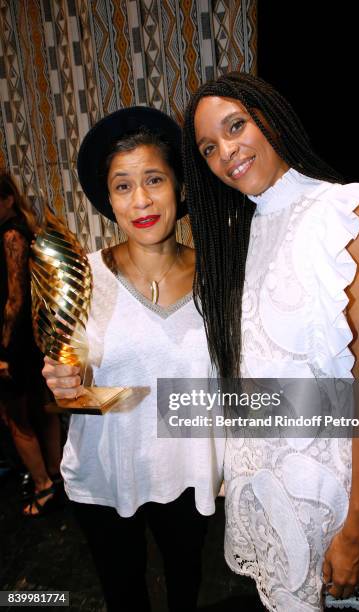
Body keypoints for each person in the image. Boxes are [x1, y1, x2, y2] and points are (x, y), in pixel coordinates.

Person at [181, 72, 359, 611]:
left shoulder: (349, 216)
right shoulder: (240, 235)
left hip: (332, 503)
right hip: (263, 495)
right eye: (209, 147)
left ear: (272, 118)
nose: (226, 152)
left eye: (236, 126)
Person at [42, 106, 224, 612]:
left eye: (153, 180)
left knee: (186, 585)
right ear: (109, 200)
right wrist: (67, 381)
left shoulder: (219, 278)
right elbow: (74, 381)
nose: (140, 199)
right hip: (105, 472)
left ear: (180, 188)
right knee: (124, 595)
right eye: (122, 186)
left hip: (187, 470)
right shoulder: (84, 278)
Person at [0, 171, 62, 516]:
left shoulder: (11, 235)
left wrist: (5, 353)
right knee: (42, 408)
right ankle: (54, 474)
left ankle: (43, 485)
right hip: (31, 338)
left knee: (15, 417)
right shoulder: (21, 231)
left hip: (16, 341)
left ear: (8, 199)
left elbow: (14, 300)